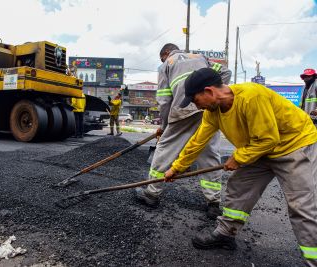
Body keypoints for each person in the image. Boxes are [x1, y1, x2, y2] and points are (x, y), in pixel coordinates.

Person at [164, 68, 317, 267]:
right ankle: (225, 234)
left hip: (295, 144)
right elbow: (197, 141)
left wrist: (238, 158)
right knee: (238, 188)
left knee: (301, 204)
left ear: (209, 92)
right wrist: (177, 168)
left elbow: (269, 139)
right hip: (259, 148)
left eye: (195, 100)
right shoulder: (213, 112)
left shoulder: (251, 96)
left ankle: (313, 259)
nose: (196, 105)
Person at [135, 43, 231, 220]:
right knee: (209, 154)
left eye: (161, 58)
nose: (162, 60)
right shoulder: (199, 57)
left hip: (183, 110)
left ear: (165, 53)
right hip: (208, 108)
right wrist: (212, 94)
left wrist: (164, 127)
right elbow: (226, 72)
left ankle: (151, 193)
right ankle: (213, 203)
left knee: (165, 149)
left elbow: (164, 99)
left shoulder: (167, 64)